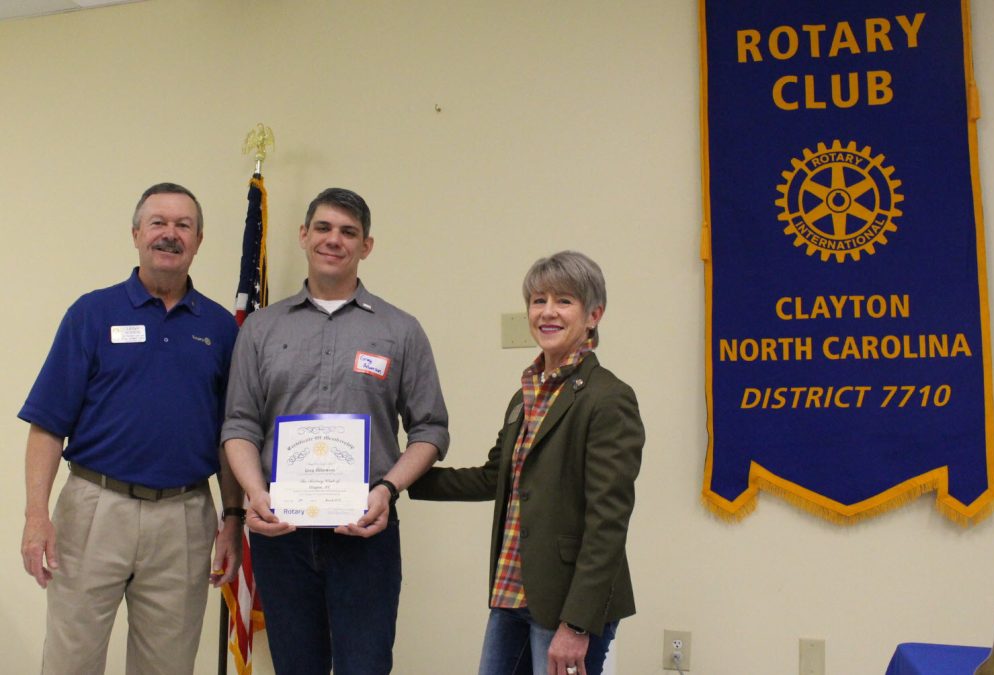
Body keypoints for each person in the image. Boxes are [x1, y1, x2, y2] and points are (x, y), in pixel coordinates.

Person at [18, 182, 244, 674]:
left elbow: (232, 436)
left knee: (168, 665)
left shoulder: (222, 329)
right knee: (70, 659)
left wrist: (232, 518)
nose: (170, 234)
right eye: (158, 223)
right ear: (136, 233)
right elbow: (47, 425)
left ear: (199, 240)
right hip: (95, 510)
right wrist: (37, 516)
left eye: (183, 225)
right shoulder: (91, 314)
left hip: (184, 517)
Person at [221, 187, 450, 674]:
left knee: (364, 666)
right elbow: (239, 424)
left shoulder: (400, 330)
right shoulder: (260, 330)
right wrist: (255, 494)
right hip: (280, 533)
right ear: (304, 236)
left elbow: (430, 430)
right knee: (295, 666)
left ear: (366, 246)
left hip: (365, 534)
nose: (334, 240)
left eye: (348, 232)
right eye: (323, 228)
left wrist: (387, 490)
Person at [410, 251, 645, 675]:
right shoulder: (524, 398)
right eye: (539, 300)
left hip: (566, 605)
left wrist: (575, 623)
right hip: (511, 595)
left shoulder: (608, 398)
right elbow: (491, 479)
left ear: (594, 314)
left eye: (564, 301)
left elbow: (608, 520)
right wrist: (400, 477)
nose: (548, 312)